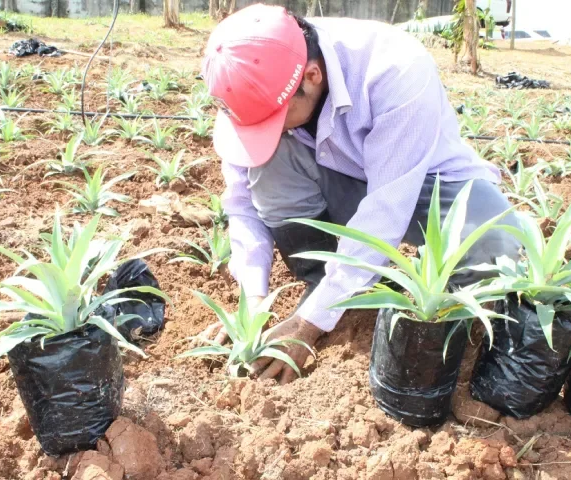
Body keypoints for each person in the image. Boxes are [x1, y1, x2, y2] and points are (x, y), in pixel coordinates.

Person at [199, 3, 520, 384]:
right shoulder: (249, 80)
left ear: (312, 75)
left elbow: (386, 209)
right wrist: (253, 302)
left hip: (422, 183)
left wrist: (307, 324)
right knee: (270, 158)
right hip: (335, 178)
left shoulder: (394, 69)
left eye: (274, 120)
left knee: (496, 240)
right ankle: (326, 282)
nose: (269, 127)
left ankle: (448, 325)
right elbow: (241, 201)